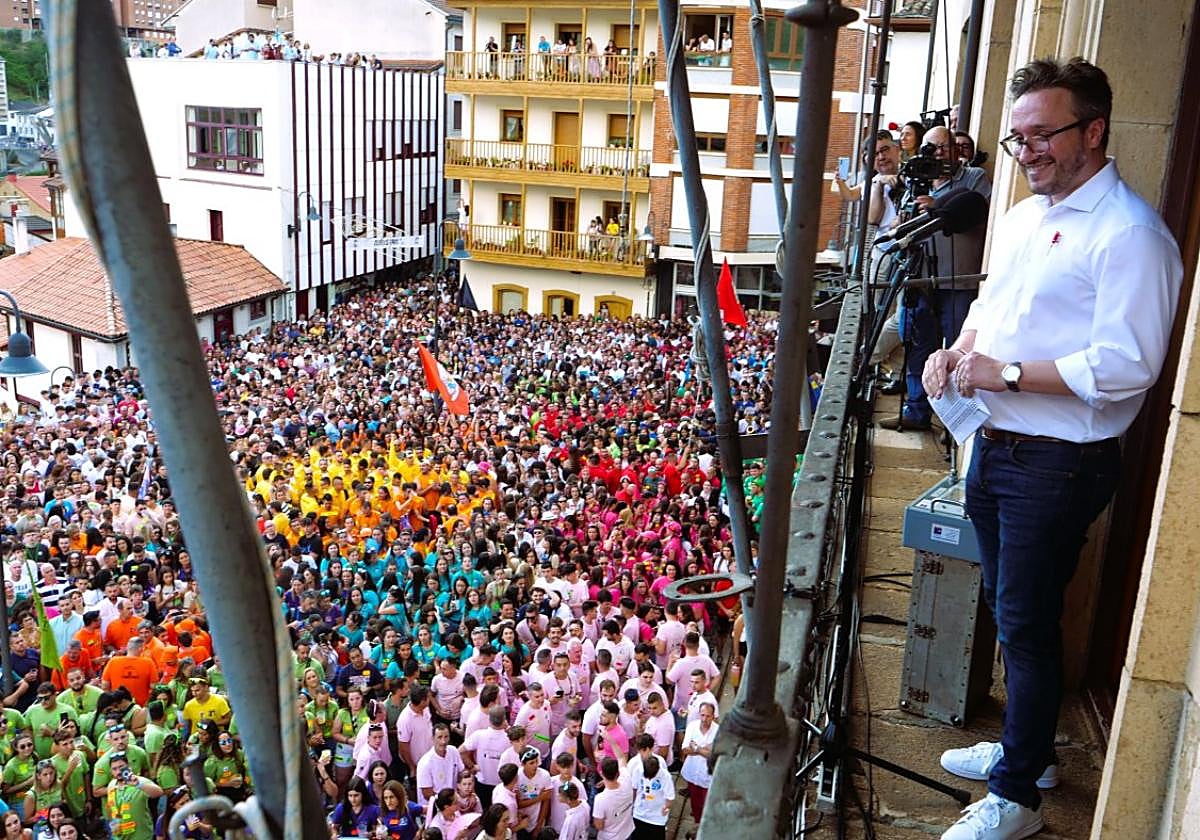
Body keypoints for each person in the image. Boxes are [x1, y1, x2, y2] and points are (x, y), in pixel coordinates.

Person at [924, 57, 1183, 840]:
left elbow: (1127, 366)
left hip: (1057, 463)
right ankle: (1024, 752)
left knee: (1026, 623)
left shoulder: (1133, 235)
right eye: (1017, 138)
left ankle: (1019, 800)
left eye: (1042, 135)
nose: (1027, 151)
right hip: (999, 447)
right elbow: (991, 307)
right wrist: (957, 350)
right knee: (1011, 612)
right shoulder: (1028, 216)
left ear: (1093, 131)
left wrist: (1001, 372)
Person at [881, 122, 992, 431]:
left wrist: (937, 207)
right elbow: (896, 231)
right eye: (932, 147)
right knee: (918, 348)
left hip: (958, 281)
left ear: (957, 150)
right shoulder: (917, 185)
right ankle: (916, 411)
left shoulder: (974, 178)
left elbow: (978, 213)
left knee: (958, 350)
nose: (939, 153)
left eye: (945, 146)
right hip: (920, 281)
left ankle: (960, 419)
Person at [99, 751, 164, 840]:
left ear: (128, 766)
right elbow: (111, 807)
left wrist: (139, 785)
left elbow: (159, 792)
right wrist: (113, 827)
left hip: (141, 836)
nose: (118, 771)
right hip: (119, 836)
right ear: (111, 771)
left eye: (121, 767)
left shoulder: (140, 781)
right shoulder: (111, 784)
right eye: (114, 769)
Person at [679, 702, 717, 824]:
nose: (704, 719)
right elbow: (685, 750)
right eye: (702, 715)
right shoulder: (692, 726)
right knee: (695, 804)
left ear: (713, 716)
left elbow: (714, 755)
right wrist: (706, 749)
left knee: (707, 805)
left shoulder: (718, 731)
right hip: (692, 772)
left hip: (708, 776)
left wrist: (696, 748)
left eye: (708, 716)